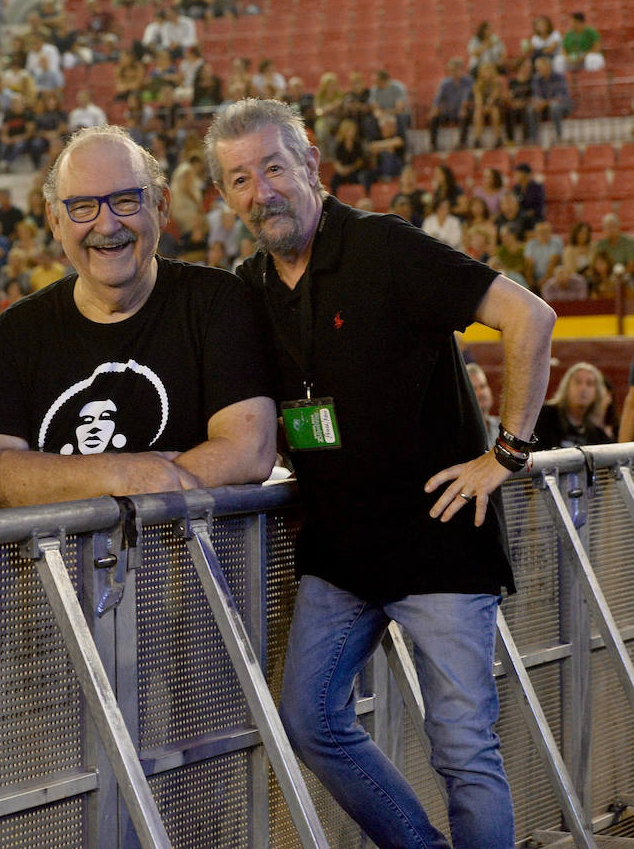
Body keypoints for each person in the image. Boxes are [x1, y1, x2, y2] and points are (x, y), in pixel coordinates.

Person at [207, 98, 555, 849]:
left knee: (463, 751)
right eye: (239, 178)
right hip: (341, 557)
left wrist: (507, 454)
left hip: (438, 547)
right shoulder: (249, 284)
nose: (261, 191)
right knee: (310, 718)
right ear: (225, 196)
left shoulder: (386, 248)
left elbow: (531, 317)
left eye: (273, 166)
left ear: (311, 166)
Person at [0, 124, 277, 509]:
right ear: (54, 221)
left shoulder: (217, 302)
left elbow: (251, 448)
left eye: (126, 200)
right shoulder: (16, 332)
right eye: (82, 207)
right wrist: (122, 475)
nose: (107, 224)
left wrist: (69, 485)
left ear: (161, 206)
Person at [534, 361, 613, 449]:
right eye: (578, 382)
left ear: (596, 393)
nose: (583, 388)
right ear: (566, 388)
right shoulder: (544, 416)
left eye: (589, 383)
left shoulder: (597, 435)